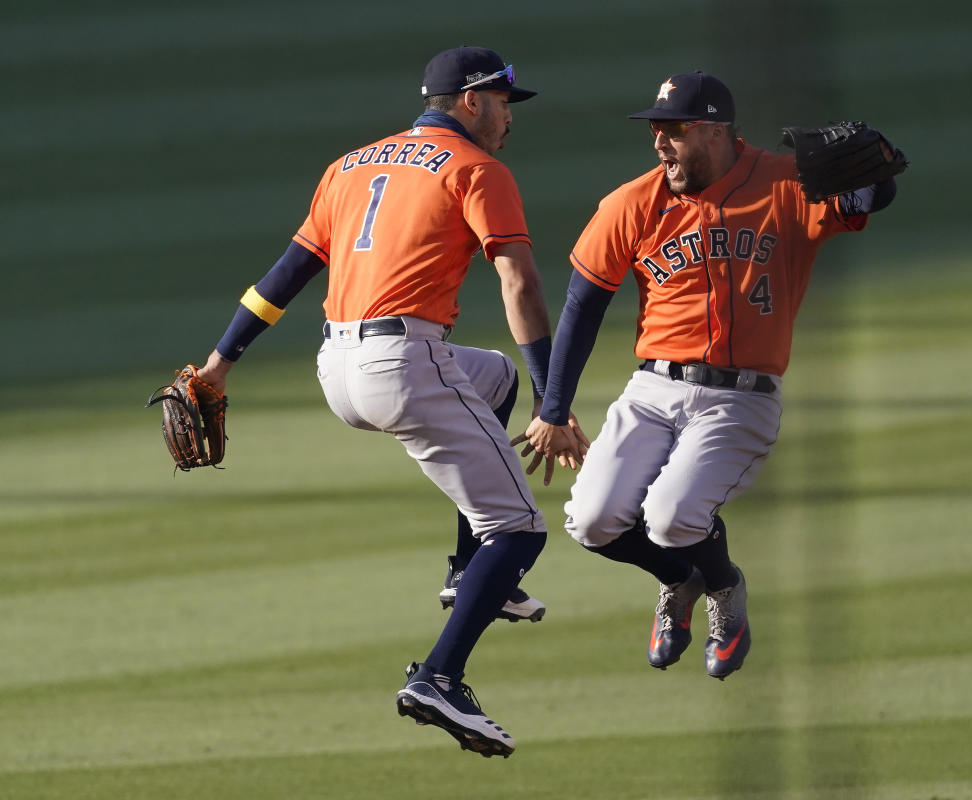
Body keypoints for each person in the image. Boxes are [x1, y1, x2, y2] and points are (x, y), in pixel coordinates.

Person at [189, 46, 585, 758]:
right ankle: (439, 676)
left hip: (337, 367)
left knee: (493, 377)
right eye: (501, 102)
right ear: (469, 101)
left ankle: (468, 571)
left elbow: (288, 272)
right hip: (404, 362)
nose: (506, 118)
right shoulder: (477, 170)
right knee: (521, 532)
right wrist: (555, 401)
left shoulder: (350, 165)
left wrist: (221, 362)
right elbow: (520, 285)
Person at [516, 71, 901, 680]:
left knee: (670, 518)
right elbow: (582, 305)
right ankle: (682, 582)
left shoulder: (784, 183)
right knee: (590, 519)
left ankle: (726, 591)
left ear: (717, 132)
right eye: (655, 131)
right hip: (653, 390)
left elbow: (869, 197)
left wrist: (876, 159)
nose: (659, 144)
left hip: (739, 399)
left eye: (674, 131)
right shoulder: (633, 203)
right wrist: (554, 407)